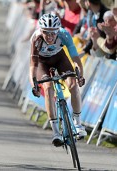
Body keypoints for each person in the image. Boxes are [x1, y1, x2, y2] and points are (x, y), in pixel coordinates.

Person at [29, 13, 87, 147]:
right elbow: (33, 66)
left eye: (53, 33)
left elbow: (76, 59)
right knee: (48, 88)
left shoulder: (64, 35)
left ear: (58, 31)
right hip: (42, 63)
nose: (49, 37)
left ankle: (78, 124)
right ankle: (55, 132)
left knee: (73, 85)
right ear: (41, 31)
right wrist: (34, 85)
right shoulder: (36, 39)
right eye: (46, 33)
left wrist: (80, 75)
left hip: (60, 58)